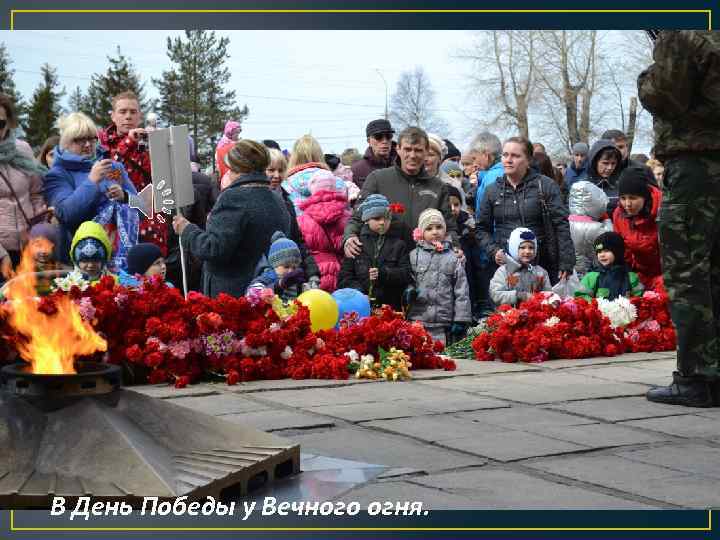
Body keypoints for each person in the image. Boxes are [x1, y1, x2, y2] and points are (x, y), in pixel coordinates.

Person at [638, 31, 720, 406]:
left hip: (693, 165)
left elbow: (666, 93)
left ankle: (698, 376)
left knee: (688, 272)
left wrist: (646, 76)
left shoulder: (684, 31)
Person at [172, 139, 290, 298]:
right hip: (267, 290)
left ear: (237, 168)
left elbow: (213, 249)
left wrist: (187, 230)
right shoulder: (277, 201)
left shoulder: (233, 198)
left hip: (231, 296)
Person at [44, 112, 139, 270]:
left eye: (92, 139)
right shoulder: (58, 174)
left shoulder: (113, 168)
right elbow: (66, 214)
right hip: (81, 262)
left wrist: (125, 196)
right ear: (65, 143)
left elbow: (142, 209)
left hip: (120, 259)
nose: (88, 145)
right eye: (80, 140)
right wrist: (92, 181)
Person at [344, 127, 459, 257]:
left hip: (428, 263)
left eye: (418, 150)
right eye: (407, 149)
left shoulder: (438, 187)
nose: (412, 155)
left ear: (426, 151)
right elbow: (357, 216)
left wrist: (455, 247)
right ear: (398, 149)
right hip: (387, 263)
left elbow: (449, 227)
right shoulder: (377, 179)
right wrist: (349, 236)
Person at [476, 136, 575, 285]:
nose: (508, 160)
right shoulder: (492, 190)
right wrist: (493, 251)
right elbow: (481, 228)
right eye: (505, 155)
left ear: (528, 160)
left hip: (542, 265)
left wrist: (566, 262)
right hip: (506, 268)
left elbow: (561, 225)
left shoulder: (546, 185)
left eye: (515, 156)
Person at [99, 90, 166, 255]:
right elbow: (110, 171)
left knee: (151, 271)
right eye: (122, 112)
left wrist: (158, 148)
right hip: (116, 218)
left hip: (149, 219)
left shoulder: (150, 141)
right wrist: (129, 142)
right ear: (113, 116)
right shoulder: (101, 143)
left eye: (133, 112)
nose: (128, 116)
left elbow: (161, 179)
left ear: (140, 116)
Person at [0, 94, 47, 281]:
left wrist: (39, 231)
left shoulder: (23, 150)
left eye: (0, 123)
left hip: (28, 247)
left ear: (9, 123)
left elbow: (36, 193)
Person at [407, 209, 471, 345]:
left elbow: (462, 291)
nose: (435, 232)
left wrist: (461, 318)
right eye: (429, 228)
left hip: (444, 323)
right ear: (421, 232)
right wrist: (408, 292)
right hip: (418, 320)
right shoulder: (414, 256)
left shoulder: (453, 258)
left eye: (439, 227)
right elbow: (409, 280)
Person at [338, 194, 411, 310]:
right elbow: (344, 278)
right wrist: (360, 295)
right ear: (367, 220)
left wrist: (384, 273)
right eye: (377, 218)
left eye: (386, 218)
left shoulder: (398, 245)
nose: (382, 222)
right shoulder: (356, 245)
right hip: (360, 307)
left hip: (390, 308)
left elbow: (406, 275)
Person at [265, 147, 322, 289]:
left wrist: (312, 272)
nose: (277, 175)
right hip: (266, 277)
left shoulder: (287, 201)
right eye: (271, 170)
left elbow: (298, 240)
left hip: (291, 273)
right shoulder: (256, 202)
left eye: (281, 170)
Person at [297, 169, 351, 291]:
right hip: (344, 273)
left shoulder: (302, 219)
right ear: (334, 188)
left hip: (315, 274)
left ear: (312, 190)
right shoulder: (348, 216)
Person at [613, 166, 663, 291]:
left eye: (633, 198)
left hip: (664, 276)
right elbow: (623, 251)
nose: (627, 204)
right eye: (623, 198)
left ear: (645, 197)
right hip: (637, 275)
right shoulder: (619, 215)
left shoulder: (662, 212)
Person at [447, 184, 490, 319]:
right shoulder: (439, 229)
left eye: (457, 204)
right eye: (449, 205)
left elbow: (479, 266)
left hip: (469, 275)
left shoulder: (469, 225)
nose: (453, 209)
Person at [282, 135, 346, 216]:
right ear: (320, 155)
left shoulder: (285, 186)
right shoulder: (337, 182)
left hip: (299, 227)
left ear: (294, 157)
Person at [489, 227, 551, 307]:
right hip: (510, 316)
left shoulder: (541, 272)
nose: (527, 251)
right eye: (522, 247)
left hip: (535, 315)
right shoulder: (504, 271)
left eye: (531, 248)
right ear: (514, 248)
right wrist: (518, 295)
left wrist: (549, 300)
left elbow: (548, 294)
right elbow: (495, 294)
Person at [574, 232, 643, 301]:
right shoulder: (592, 276)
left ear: (617, 252)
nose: (602, 255)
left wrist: (631, 304)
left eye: (606, 251)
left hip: (625, 311)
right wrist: (594, 305)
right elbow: (581, 296)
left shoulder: (630, 277)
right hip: (599, 310)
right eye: (599, 252)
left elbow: (639, 299)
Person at [568, 181, 613, 278]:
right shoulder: (596, 228)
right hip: (593, 274)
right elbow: (610, 238)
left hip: (572, 274)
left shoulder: (565, 224)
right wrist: (607, 219)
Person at [248, 232, 307, 302]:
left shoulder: (295, 280)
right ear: (274, 265)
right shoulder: (269, 276)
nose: (290, 271)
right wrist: (278, 285)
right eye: (286, 266)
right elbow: (251, 294)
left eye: (294, 267)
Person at [351, 119, 397, 188]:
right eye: (378, 137)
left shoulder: (403, 166)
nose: (384, 141)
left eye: (388, 136)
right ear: (369, 141)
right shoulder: (356, 170)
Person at [469, 131, 505, 219]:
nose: (474, 164)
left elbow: (484, 215)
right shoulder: (506, 171)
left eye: (475, 158)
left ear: (485, 155)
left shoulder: (491, 178)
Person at [586, 139, 623, 215]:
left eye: (613, 163)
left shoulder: (620, 185)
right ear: (595, 162)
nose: (610, 167)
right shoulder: (584, 186)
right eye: (605, 163)